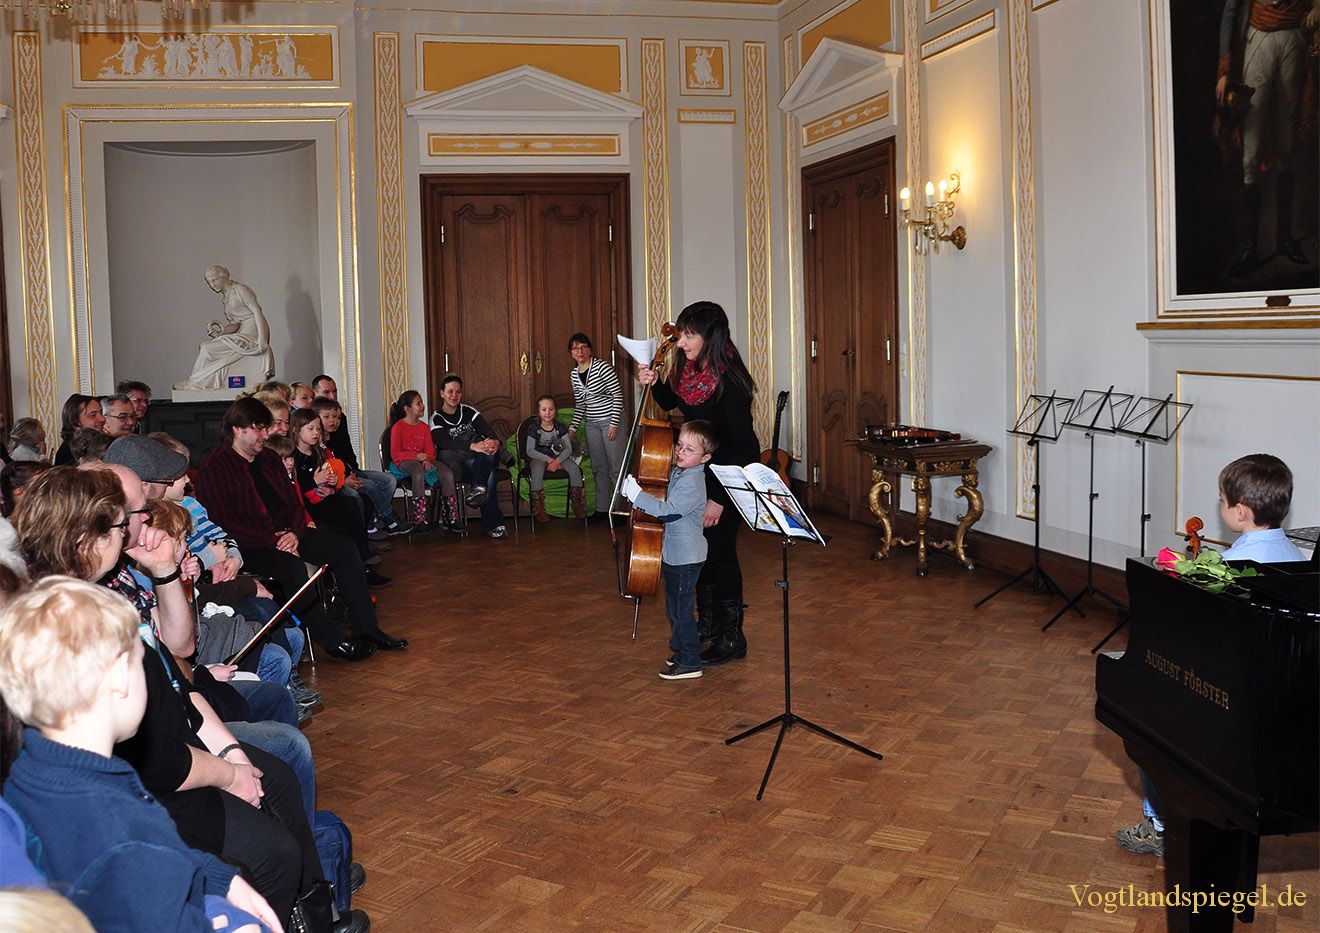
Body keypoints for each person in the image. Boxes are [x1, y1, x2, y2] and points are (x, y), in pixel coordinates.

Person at [12, 467, 334, 928]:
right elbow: (154, 761)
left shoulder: (109, 591)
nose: (138, 525)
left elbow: (177, 673)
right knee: (274, 848)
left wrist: (231, 753)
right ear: (86, 539)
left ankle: (316, 905)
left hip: (170, 746)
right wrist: (229, 774)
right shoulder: (74, 622)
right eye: (124, 519)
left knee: (275, 776)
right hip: (162, 771)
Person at [0, 576, 280, 933]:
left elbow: (163, 855)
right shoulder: (120, 829)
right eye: (141, 661)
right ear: (119, 674)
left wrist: (217, 877)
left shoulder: (31, 771)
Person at [1116, 452, 1303, 858]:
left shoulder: (1228, 568)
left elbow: (1191, 635)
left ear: (1240, 512)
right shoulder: (1298, 560)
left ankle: (1160, 823)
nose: (1220, 506)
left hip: (1225, 695)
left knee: (1151, 728)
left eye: (1221, 500)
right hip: (1279, 700)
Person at [193, 396, 406, 657]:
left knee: (343, 547)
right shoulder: (215, 468)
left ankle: (367, 629)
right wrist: (274, 540)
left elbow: (294, 503)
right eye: (259, 429)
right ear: (237, 429)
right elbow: (223, 523)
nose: (266, 435)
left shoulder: (269, 459)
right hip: (247, 544)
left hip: (287, 534)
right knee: (292, 568)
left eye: (266, 428)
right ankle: (334, 641)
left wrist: (294, 532)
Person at [637, 300, 759, 665]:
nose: (681, 342)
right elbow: (672, 404)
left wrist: (718, 498)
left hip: (727, 479)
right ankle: (707, 627)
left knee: (721, 554)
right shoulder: (689, 372)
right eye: (682, 334)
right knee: (699, 554)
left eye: (690, 335)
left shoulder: (730, 381)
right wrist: (655, 383)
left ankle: (732, 638)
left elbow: (745, 447)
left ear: (710, 337)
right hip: (698, 478)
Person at [619, 420, 717, 680]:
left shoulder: (693, 482)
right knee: (673, 607)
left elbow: (668, 512)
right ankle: (682, 649)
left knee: (681, 610)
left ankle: (690, 661)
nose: (680, 452)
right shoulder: (680, 472)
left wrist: (637, 496)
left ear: (705, 458)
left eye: (689, 450)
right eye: (679, 445)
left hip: (686, 557)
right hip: (675, 554)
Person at [289, 408, 390, 584]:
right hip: (308, 505)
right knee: (338, 520)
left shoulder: (318, 453)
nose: (316, 433)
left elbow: (331, 477)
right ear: (296, 430)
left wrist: (333, 484)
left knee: (351, 504)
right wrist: (315, 481)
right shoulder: (292, 457)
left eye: (318, 429)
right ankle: (354, 567)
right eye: (310, 429)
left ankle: (362, 558)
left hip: (324, 498)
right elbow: (295, 487)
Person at [311, 392, 410, 538]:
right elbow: (329, 469)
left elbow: (346, 458)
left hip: (348, 473)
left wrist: (351, 473)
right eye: (327, 417)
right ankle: (386, 521)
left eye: (336, 417)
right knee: (367, 487)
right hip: (335, 481)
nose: (333, 421)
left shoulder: (336, 433)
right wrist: (344, 480)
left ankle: (375, 520)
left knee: (388, 480)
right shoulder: (317, 442)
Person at [430, 375, 510, 539]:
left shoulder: (469, 411)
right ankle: (493, 523)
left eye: (458, 391)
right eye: (450, 391)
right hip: (462, 466)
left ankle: (478, 489)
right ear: (442, 393)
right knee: (490, 476)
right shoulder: (436, 418)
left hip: (482, 460)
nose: (454, 395)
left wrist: (494, 442)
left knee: (487, 450)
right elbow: (444, 443)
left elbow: (488, 432)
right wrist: (472, 446)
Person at [173, 266, 274, 392]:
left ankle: (194, 382)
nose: (212, 285)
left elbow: (257, 311)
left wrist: (262, 339)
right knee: (204, 345)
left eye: (214, 280)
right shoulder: (225, 299)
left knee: (207, 348)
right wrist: (222, 332)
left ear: (223, 276)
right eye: (209, 282)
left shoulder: (240, 290)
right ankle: (198, 381)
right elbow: (235, 323)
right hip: (242, 331)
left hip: (252, 332)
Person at [566, 333, 628, 523]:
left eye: (583, 347)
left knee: (616, 467)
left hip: (612, 420)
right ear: (571, 352)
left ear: (590, 349)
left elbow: (618, 396)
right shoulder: (574, 375)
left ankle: (620, 511)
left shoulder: (602, 367)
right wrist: (573, 428)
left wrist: (614, 423)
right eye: (575, 348)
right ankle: (602, 509)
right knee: (598, 467)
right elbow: (580, 404)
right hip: (592, 423)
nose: (580, 351)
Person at [388, 390, 459, 532]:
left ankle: (451, 518)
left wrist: (427, 459)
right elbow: (396, 454)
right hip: (405, 462)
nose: (422, 406)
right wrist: (416, 457)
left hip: (423, 459)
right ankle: (420, 519)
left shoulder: (424, 427)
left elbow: (430, 450)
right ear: (407, 409)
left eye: (421, 403)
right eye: (418, 403)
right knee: (417, 471)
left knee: (447, 474)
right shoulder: (398, 428)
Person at [524, 394, 587, 523]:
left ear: (555, 411)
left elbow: (568, 448)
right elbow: (530, 451)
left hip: (559, 457)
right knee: (537, 469)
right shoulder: (533, 429)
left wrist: (557, 461)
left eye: (551, 409)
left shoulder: (560, 427)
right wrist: (548, 460)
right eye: (544, 409)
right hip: (540, 457)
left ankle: (578, 504)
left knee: (574, 468)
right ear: (538, 412)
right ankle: (538, 508)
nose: (547, 413)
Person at [52, 394, 105, 465]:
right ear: (76, 421)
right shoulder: (67, 454)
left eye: (101, 413)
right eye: (93, 415)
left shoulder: (103, 442)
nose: (102, 419)